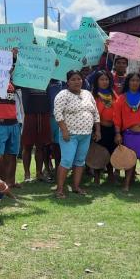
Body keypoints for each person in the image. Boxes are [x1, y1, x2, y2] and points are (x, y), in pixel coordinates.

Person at [53, 70, 100, 198]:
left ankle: (76, 186)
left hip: (86, 134)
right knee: (67, 161)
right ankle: (59, 189)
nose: (77, 81)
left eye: (79, 79)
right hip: (70, 135)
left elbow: (95, 113)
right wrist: (64, 130)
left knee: (80, 161)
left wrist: (98, 130)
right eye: (73, 79)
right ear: (67, 82)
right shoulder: (63, 95)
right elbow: (57, 114)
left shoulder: (87, 94)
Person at [91, 70, 120, 184]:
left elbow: (118, 109)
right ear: (97, 81)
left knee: (111, 150)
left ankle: (111, 175)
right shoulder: (93, 95)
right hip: (99, 128)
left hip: (112, 128)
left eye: (106, 79)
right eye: (102, 79)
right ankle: (97, 176)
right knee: (99, 152)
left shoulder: (112, 93)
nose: (104, 82)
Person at [20, 86, 53, 183]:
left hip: (43, 112)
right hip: (28, 113)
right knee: (27, 145)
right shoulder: (25, 76)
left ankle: (39, 173)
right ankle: (27, 174)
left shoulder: (47, 74)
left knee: (41, 146)